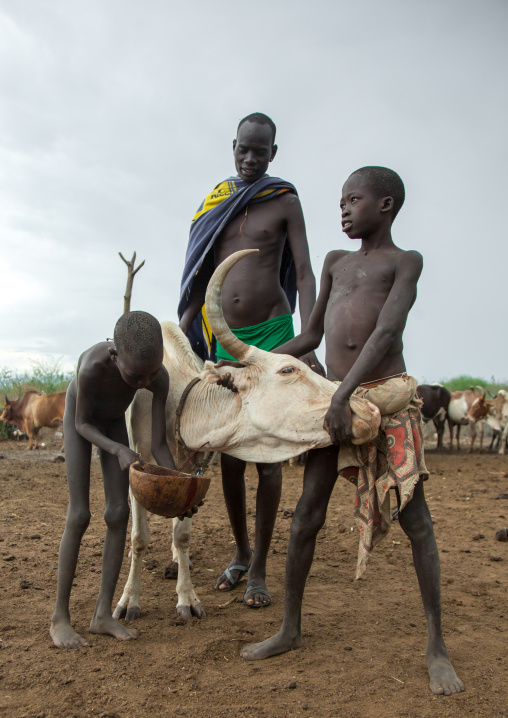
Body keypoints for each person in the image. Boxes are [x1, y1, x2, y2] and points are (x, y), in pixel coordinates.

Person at [240, 166, 464, 696]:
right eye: (340, 201)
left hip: (381, 400)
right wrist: (253, 363)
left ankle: (436, 646)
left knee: (418, 524)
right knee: (306, 517)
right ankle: (290, 627)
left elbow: (388, 329)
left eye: (353, 200)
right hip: (333, 400)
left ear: (384, 206)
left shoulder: (405, 262)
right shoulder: (336, 263)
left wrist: (345, 394)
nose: (342, 209)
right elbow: (312, 333)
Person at [178, 112, 323, 608]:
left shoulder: (284, 200)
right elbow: (198, 270)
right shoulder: (215, 202)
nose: (250, 158)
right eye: (243, 149)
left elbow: (303, 270)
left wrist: (310, 335)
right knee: (233, 452)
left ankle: (260, 568)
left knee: (269, 452)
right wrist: (193, 333)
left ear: (273, 154)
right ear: (233, 146)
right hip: (225, 338)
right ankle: (241, 553)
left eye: (260, 151)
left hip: (275, 332)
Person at [50, 311, 187, 649]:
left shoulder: (156, 376)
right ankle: (60, 618)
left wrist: (179, 486)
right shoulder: (92, 367)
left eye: (152, 373)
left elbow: (157, 444)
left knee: (119, 514)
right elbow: (82, 425)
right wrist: (118, 450)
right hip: (82, 421)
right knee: (80, 514)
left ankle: (102, 615)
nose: (145, 382)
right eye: (135, 375)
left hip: (112, 423)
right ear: (115, 356)